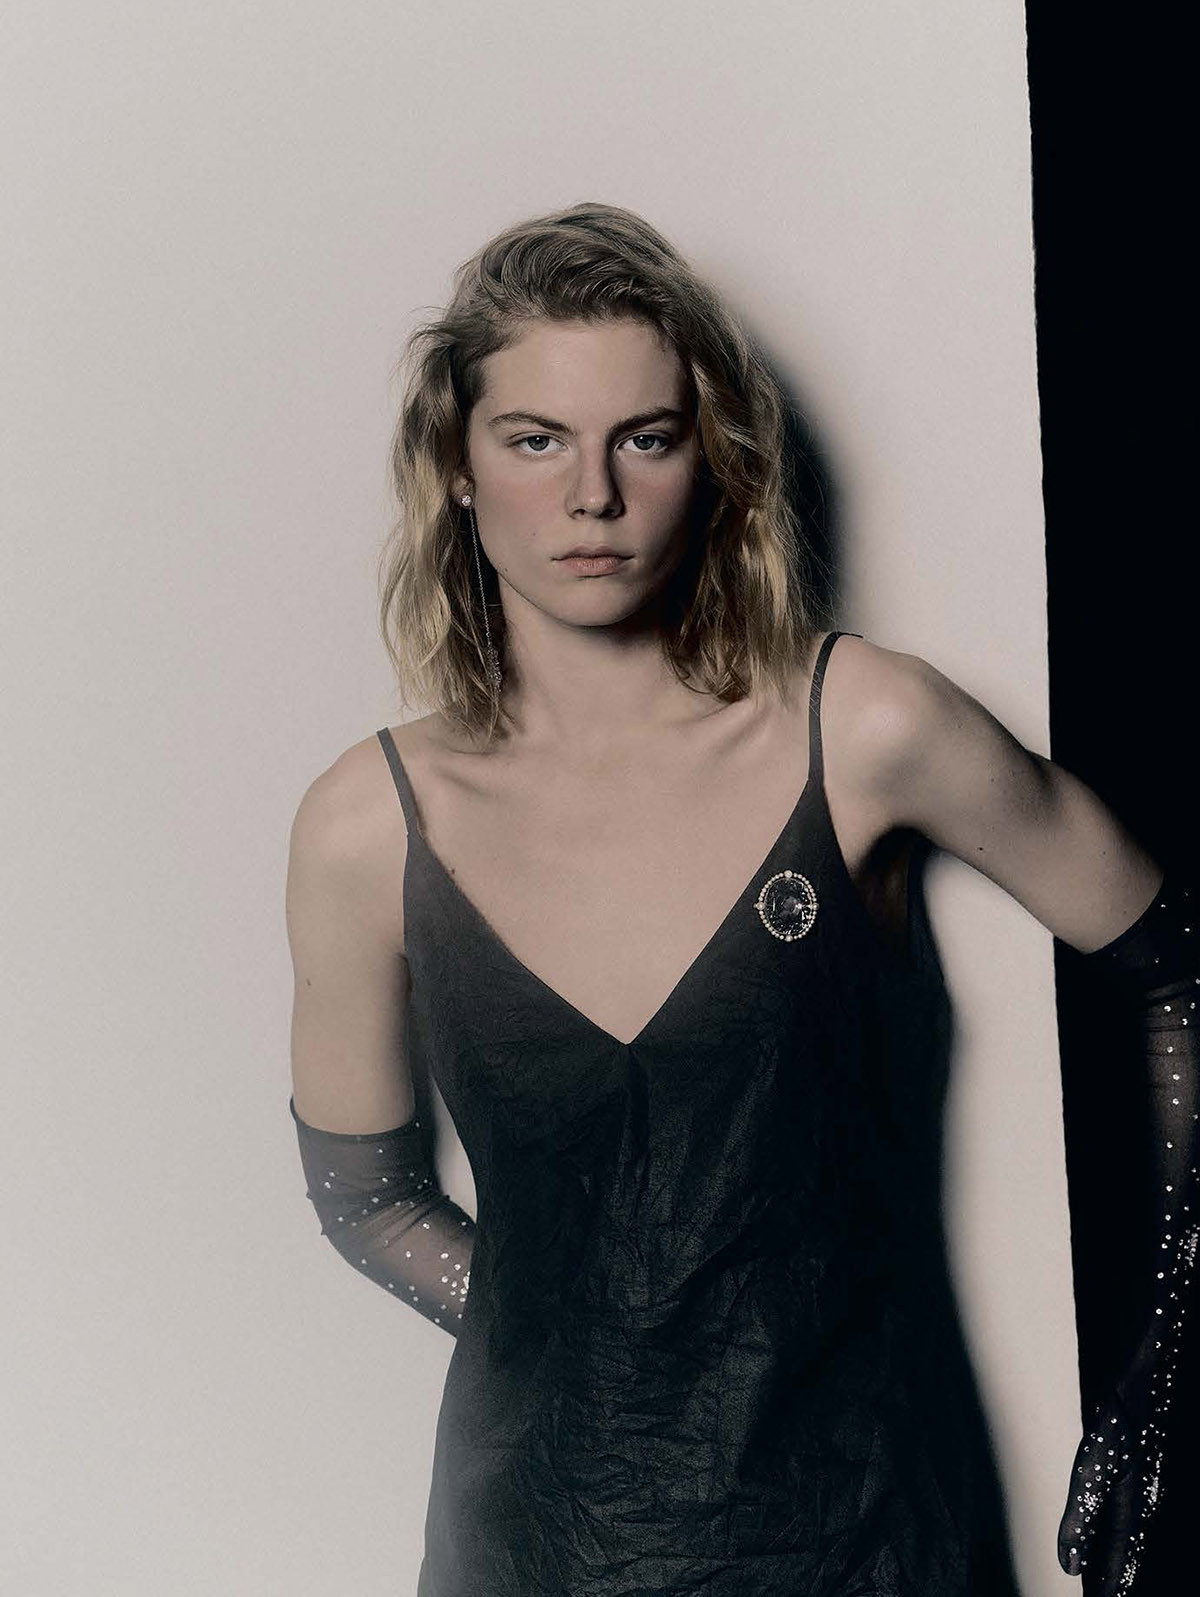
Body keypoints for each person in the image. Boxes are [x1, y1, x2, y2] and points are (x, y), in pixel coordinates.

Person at [285, 203, 1196, 1597]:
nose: (593, 496)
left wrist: (1165, 1354)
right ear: (457, 468)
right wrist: (597, 1339)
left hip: (870, 1539)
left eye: (645, 438)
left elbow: (1177, 963)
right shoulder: (368, 824)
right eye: (535, 439)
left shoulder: (865, 731)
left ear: (709, 457)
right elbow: (367, 1198)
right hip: (535, 1548)